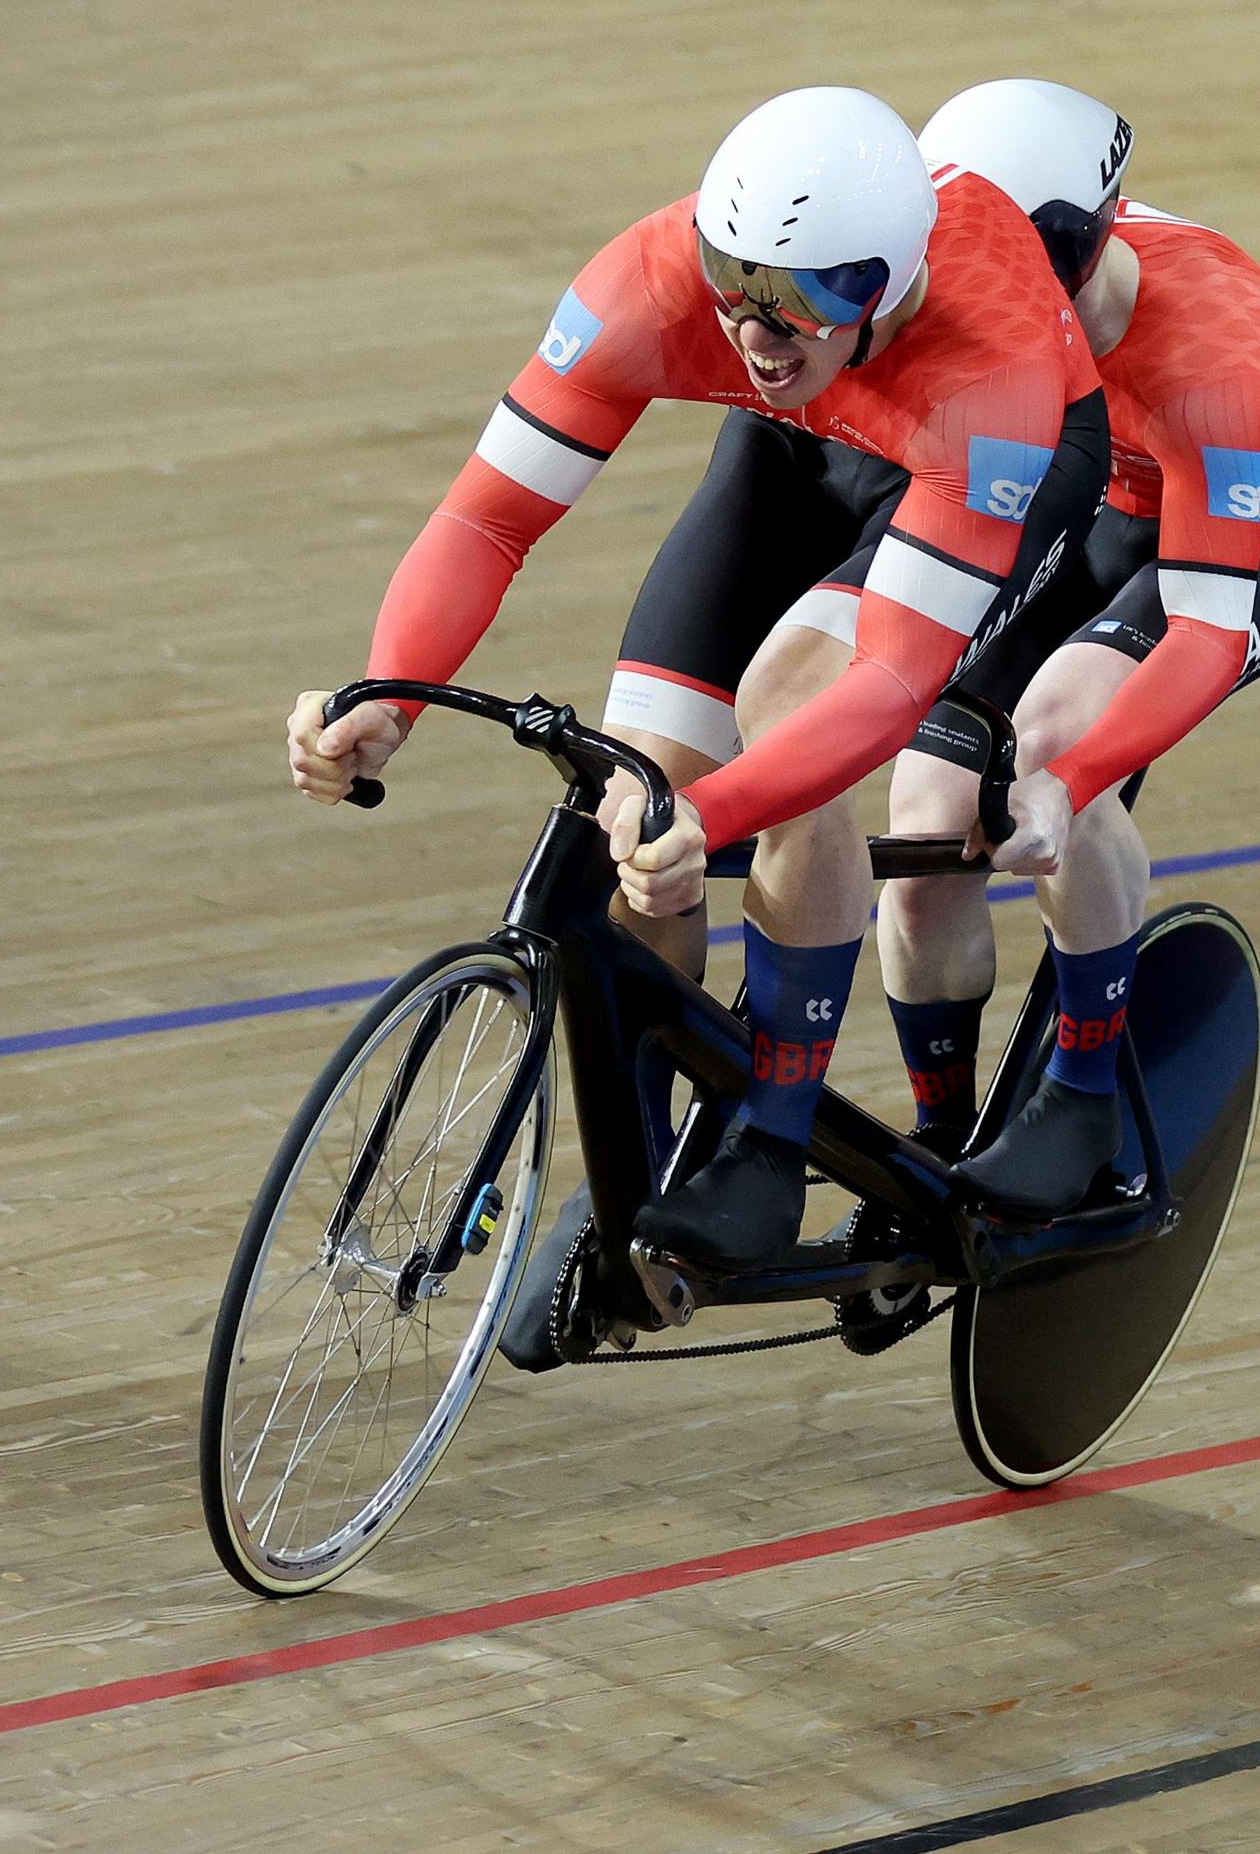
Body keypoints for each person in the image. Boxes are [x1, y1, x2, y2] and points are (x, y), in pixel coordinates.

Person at [285, 87, 1108, 1272]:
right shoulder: (663, 288)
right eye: (737, 279)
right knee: (640, 786)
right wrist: (388, 694)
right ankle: (650, 1177)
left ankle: (768, 1142)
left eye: (814, 290)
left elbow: (880, 687)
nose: (760, 328)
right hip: (811, 437)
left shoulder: (997, 371)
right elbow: (489, 517)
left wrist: (717, 814)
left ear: (894, 274)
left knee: (788, 720)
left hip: (978, 463)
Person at [868, 79, 1260, 1212]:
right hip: (1097, 505)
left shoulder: (1214, 346)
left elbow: (1198, 635)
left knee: (1053, 752)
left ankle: (1083, 1098)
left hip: (1248, 525)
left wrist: (1074, 783)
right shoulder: (972, 287)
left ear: (1093, 243)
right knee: (928, 806)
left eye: (1047, 273)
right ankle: (941, 1146)